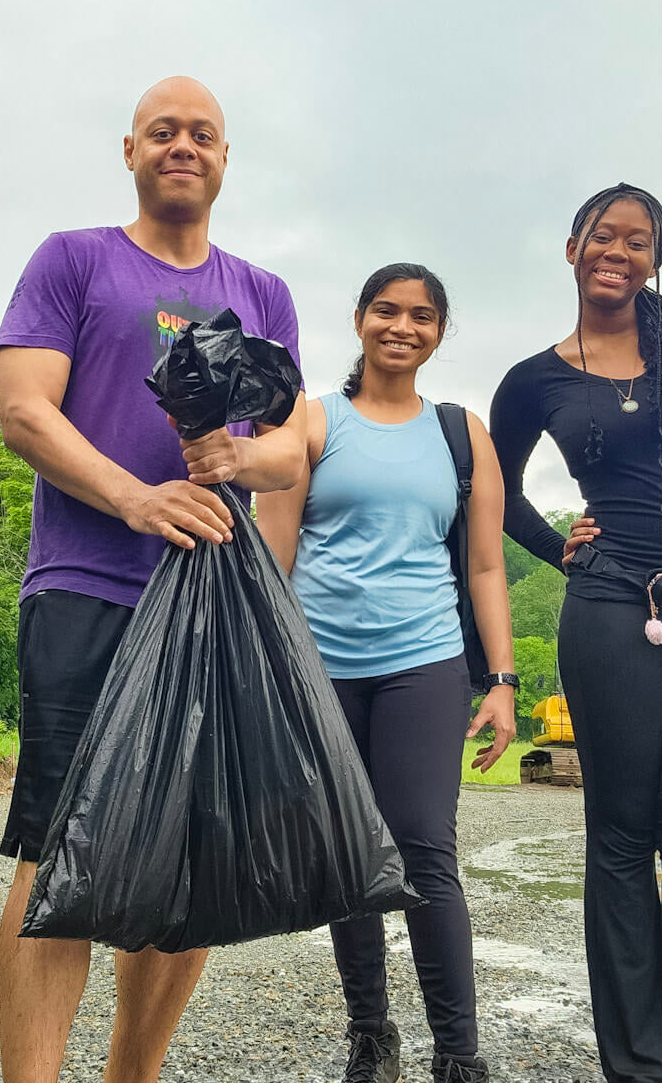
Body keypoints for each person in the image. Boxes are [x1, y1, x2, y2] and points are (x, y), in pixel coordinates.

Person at [0, 76, 306, 1083]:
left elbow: (291, 444)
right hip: (88, 585)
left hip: (213, 606)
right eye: (162, 131)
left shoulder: (263, 294)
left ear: (226, 159)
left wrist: (236, 462)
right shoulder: (74, 259)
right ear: (129, 149)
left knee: (189, 854)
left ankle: (135, 1075)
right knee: (56, 851)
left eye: (202, 134)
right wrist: (138, 497)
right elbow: (24, 410)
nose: (183, 146)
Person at [490, 183, 662, 1083]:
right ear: (572, 248)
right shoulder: (536, 379)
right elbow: (490, 489)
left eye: (637, 240)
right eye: (602, 236)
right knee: (620, 835)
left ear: (655, 256)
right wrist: (557, 551)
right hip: (612, 607)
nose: (618, 251)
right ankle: (640, 1065)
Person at [257, 263, 516, 1083]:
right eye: (387, 310)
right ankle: (371, 1033)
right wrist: (268, 671)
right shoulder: (313, 420)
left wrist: (503, 681)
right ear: (361, 319)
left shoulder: (459, 432)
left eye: (422, 315)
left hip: (425, 663)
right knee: (347, 853)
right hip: (321, 666)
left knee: (423, 846)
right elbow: (276, 551)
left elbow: (483, 567)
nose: (402, 326)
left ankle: (458, 1051)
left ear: (439, 332)